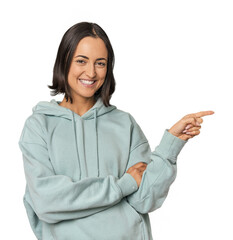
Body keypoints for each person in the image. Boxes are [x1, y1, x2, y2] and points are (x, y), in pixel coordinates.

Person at [19, 22, 214, 240]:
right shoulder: (39, 126)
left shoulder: (125, 124)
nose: (91, 72)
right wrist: (123, 185)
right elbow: (47, 202)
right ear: (64, 61)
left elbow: (144, 199)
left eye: (100, 63)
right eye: (81, 61)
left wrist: (171, 145)